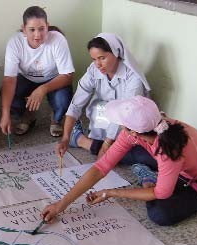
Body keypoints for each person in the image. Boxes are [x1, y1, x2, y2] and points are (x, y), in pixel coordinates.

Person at [43, 96, 197, 226]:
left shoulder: (169, 151)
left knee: (160, 213)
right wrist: (61, 204)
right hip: (177, 164)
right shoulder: (154, 128)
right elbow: (101, 166)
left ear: (133, 132)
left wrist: (110, 192)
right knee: (128, 155)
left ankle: (150, 179)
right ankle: (156, 178)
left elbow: (160, 194)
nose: (121, 128)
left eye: (122, 125)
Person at [60, 33, 156, 168]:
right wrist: (65, 137)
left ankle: (83, 141)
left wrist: (105, 146)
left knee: (140, 152)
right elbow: (77, 102)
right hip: (106, 116)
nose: (98, 64)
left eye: (102, 58)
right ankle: (91, 142)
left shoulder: (132, 76)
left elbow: (125, 114)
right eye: (94, 59)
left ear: (116, 53)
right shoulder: (94, 70)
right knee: (101, 109)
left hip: (131, 123)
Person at [0, 6, 75, 137]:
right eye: (31, 30)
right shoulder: (15, 43)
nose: (37, 35)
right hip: (27, 78)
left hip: (54, 79)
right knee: (8, 96)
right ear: (23, 29)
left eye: (42, 29)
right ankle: (28, 115)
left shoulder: (58, 39)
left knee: (63, 101)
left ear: (47, 26)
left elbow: (68, 76)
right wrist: (5, 114)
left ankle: (56, 119)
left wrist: (42, 89)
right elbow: (9, 80)